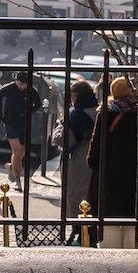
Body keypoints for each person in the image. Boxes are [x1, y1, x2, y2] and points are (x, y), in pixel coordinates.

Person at [88, 76, 138, 248]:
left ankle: (111, 268)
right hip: (134, 180)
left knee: (109, 229)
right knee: (133, 231)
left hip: (110, 181)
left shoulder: (105, 113)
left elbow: (94, 153)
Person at [0, 70, 46, 188]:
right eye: (20, 83)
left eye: (24, 84)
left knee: (21, 152)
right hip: (10, 123)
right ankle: (18, 180)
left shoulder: (31, 91)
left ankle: (12, 167)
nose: (22, 86)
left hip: (24, 123)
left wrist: (30, 111)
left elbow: (37, 104)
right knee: (17, 151)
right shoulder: (9, 88)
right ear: (16, 81)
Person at [60, 80, 98, 230]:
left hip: (80, 160)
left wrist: (59, 128)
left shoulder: (76, 115)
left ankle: (78, 232)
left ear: (76, 96)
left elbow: (65, 140)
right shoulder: (99, 110)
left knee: (76, 196)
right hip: (97, 159)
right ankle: (92, 229)